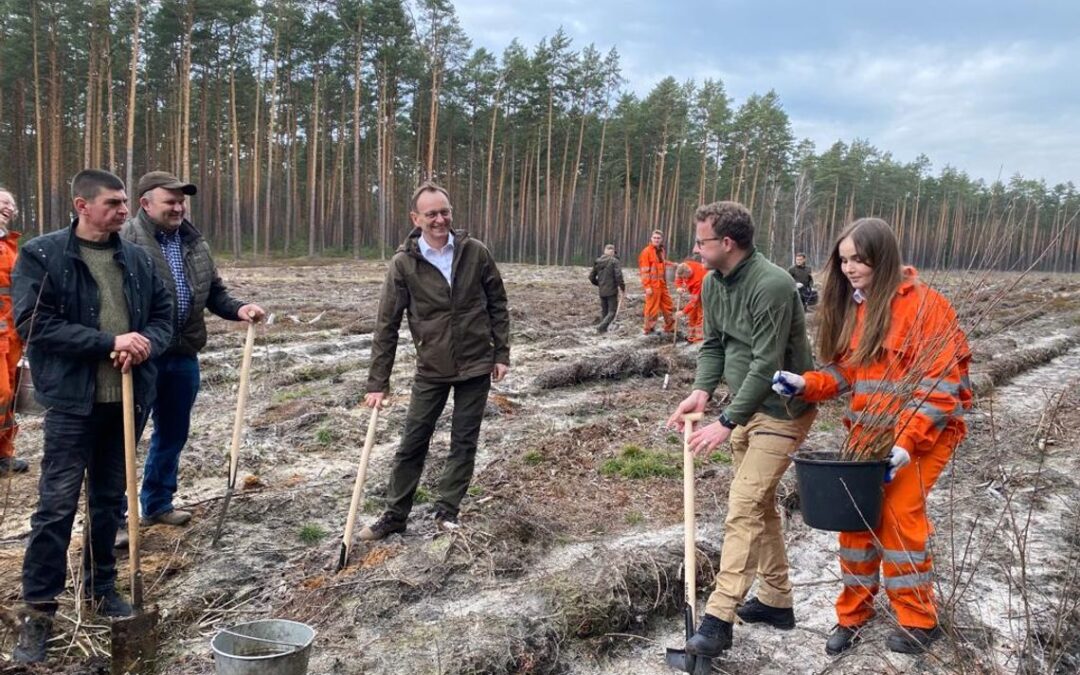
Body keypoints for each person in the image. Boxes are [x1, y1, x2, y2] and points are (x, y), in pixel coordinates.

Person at [771, 217, 970, 656]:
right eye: (843, 260)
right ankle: (852, 615)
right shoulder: (858, 307)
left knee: (898, 520)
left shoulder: (926, 306)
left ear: (883, 257)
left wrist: (906, 442)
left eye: (859, 259)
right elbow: (848, 371)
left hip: (922, 437)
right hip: (867, 435)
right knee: (855, 522)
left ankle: (919, 620)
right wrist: (806, 383)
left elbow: (939, 386)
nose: (849, 268)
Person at [10, 169, 173, 664]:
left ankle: (102, 589)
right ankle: (38, 611)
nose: (124, 211)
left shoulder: (138, 260)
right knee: (56, 506)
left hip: (124, 402)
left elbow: (164, 316)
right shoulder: (44, 255)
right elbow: (33, 323)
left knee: (108, 503)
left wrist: (144, 346)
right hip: (72, 404)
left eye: (126, 203)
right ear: (82, 205)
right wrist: (109, 342)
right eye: (115, 203)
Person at [666, 201, 817, 659]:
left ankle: (718, 618)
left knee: (744, 503)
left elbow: (766, 364)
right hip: (746, 407)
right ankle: (776, 600)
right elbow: (714, 345)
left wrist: (726, 422)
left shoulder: (771, 284)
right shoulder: (713, 283)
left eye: (702, 241)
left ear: (726, 243)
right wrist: (702, 392)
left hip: (784, 409)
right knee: (760, 504)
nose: (695, 248)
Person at [359, 182, 510, 540]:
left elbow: (498, 304)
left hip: (476, 365)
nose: (440, 219)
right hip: (432, 369)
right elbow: (387, 325)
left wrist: (501, 353)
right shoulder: (403, 264)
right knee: (413, 440)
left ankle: (447, 511)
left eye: (445, 212)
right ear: (416, 218)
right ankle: (396, 514)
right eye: (431, 214)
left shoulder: (475, 252)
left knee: (464, 441)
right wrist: (377, 383)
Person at [120, 171, 264, 533]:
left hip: (183, 354)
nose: (178, 207)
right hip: (139, 357)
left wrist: (239, 308)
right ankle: (115, 518)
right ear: (145, 203)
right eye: (170, 200)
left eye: (181, 200)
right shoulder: (125, 240)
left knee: (172, 433)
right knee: (124, 438)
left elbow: (214, 292)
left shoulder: (193, 242)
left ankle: (157, 503)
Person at [0, 187, 27, 473]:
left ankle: (4, 454)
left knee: (9, 398)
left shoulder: (10, 245)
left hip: (11, 336)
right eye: (2, 202)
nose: (8, 207)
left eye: (11, 203)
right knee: (1, 393)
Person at [638, 229, 676, 335]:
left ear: (661, 239)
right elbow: (644, 271)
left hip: (662, 284)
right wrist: (647, 286)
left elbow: (662, 263)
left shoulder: (661, 250)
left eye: (658, 238)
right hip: (653, 285)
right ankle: (648, 328)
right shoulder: (646, 252)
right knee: (652, 308)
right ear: (651, 238)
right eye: (654, 238)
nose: (656, 239)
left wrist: (673, 264)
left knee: (668, 305)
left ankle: (670, 326)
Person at [589, 244, 625, 333]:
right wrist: (622, 287)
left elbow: (591, 277)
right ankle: (600, 327)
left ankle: (603, 331)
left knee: (605, 312)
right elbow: (618, 276)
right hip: (612, 290)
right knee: (612, 312)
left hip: (602, 290)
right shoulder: (614, 261)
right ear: (612, 251)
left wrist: (599, 284)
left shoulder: (598, 261)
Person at [674, 259, 706, 343]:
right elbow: (678, 277)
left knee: (701, 314)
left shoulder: (698, 279)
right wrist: (679, 287)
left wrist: (683, 312)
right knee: (692, 314)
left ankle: (699, 339)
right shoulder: (684, 266)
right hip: (694, 292)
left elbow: (693, 301)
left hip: (705, 292)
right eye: (683, 278)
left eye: (685, 277)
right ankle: (691, 336)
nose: (684, 279)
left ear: (689, 273)